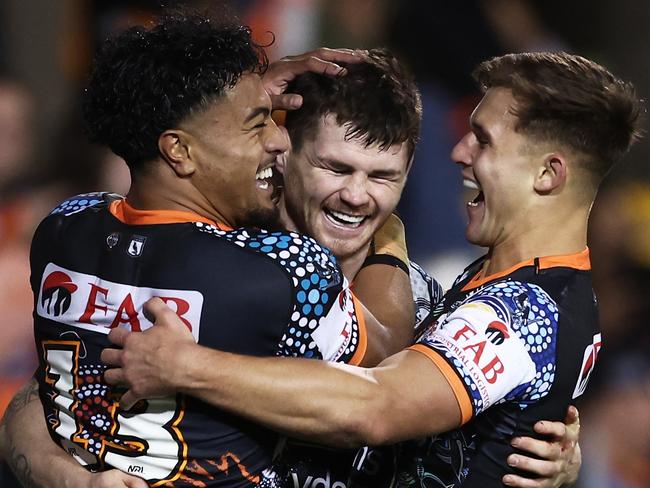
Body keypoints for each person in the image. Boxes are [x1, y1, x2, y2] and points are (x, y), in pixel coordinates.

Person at [1, 46, 581, 487]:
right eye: (335, 167)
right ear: (283, 154)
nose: (357, 196)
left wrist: (544, 451)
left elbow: (440, 439)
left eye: (383, 177)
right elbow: (50, 393)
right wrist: (68, 476)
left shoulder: (435, 312)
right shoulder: (210, 263)